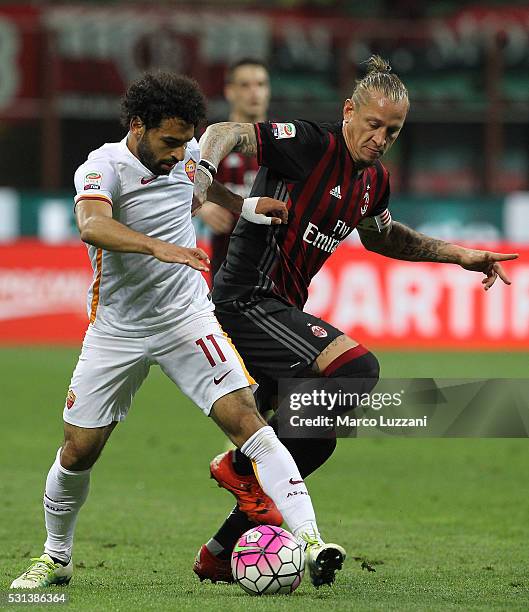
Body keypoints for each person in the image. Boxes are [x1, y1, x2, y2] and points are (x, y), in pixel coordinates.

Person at [10, 72, 345, 590]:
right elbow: (92, 226)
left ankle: (311, 539)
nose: (177, 153)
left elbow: (201, 181)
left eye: (184, 141)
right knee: (79, 450)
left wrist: (245, 207)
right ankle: (57, 557)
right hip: (116, 329)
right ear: (138, 126)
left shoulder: (185, 152)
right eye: (168, 142)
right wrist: (158, 247)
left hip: (185, 319)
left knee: (247, 419)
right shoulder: (103, 166)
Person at [192, 55, 519, 582]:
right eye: (373, 124)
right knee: (357, 370)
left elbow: (385, 236)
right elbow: (225, 131)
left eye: (392, 130)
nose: (381, 137)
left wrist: (460, 255)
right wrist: (202, 173)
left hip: (281, 309)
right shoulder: (307, 144)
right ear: (348, 112)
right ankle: (237, 469)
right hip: (245, 299)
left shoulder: (373, 181)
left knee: (315, 436)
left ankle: (219, 551)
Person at [199, 58, 270, 280]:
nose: (254, 93)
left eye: (260, 84)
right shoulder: (209, 141)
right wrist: (203, 207)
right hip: (225, 258)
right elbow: (178, 183)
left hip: (275, 258)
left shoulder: (285, 141)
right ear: (229, 91)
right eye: (245, 85)